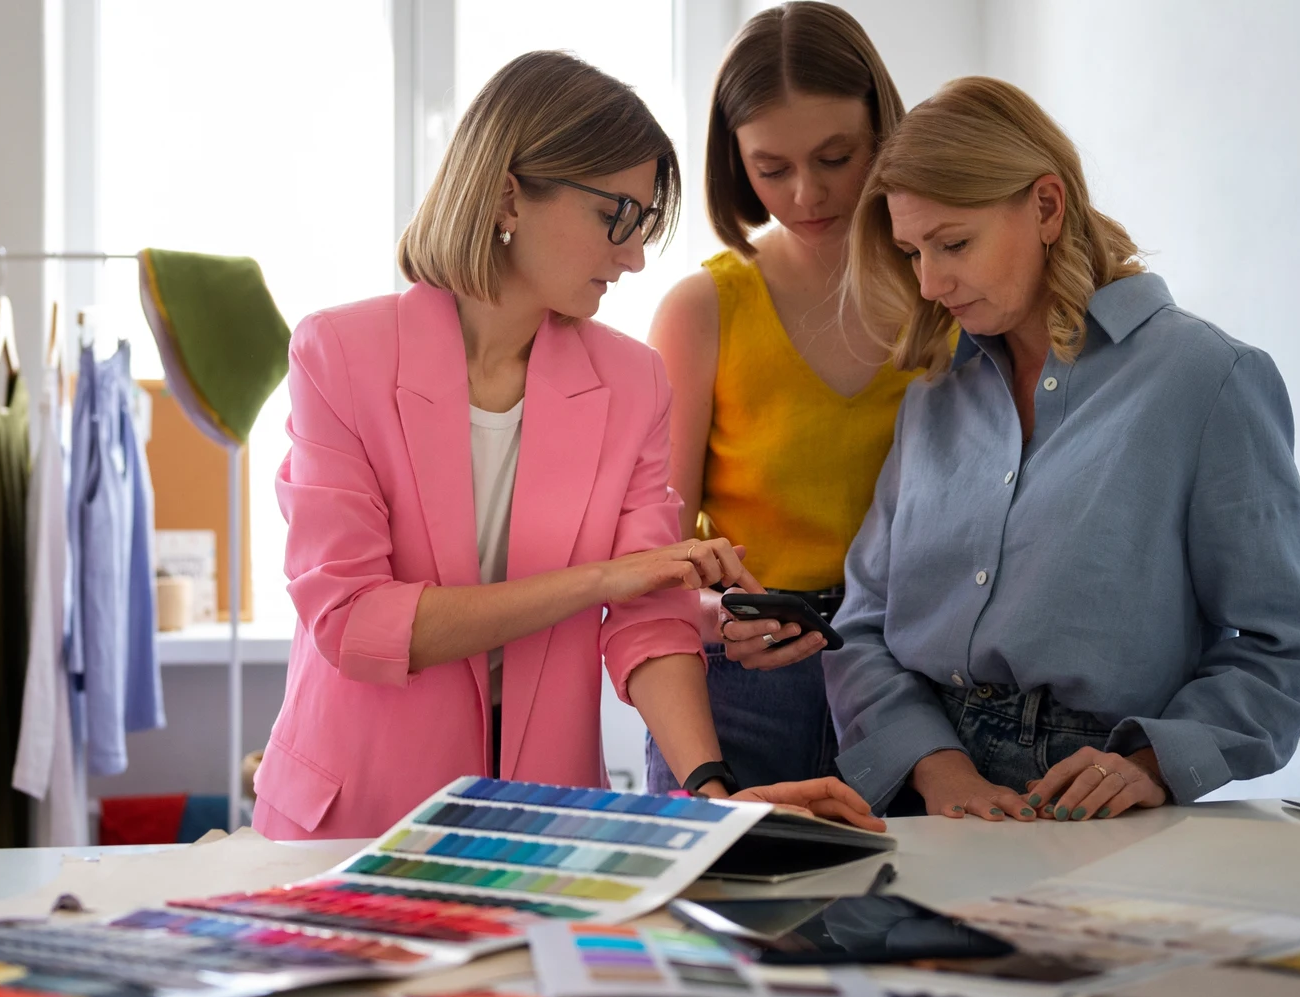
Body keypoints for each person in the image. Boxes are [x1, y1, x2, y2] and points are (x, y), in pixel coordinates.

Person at [253, 51, 883, 840]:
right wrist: (605, 578)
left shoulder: (633, 383)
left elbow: (647, 617)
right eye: (616, 215)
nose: (634, 255)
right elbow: (356, 622)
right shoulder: (340, 354)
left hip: (545, 818)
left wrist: (710, 790)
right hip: (353, 820)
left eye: (645, 222)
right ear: (509, 191)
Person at [829, 76, 1300, 822]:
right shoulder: (934, 399)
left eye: (954, 244)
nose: (932, 282)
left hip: (1104, 804)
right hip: (928, 795)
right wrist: (939, 770)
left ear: (1045, 205)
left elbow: (1287, 646)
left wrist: (1150, 764)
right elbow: (863, 623)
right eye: (912, 252)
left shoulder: (1205, 378)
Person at [644, 2, 920, 792]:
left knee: (910, 908)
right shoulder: (701, 310)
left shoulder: (944, 293)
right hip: (738, 677)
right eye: (772, 169)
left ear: (883, 133)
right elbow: (656, 553)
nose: (808, 193)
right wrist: (716, 615)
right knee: (721, 910)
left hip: (911, 675)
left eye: (838, 156)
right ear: (733, 162)